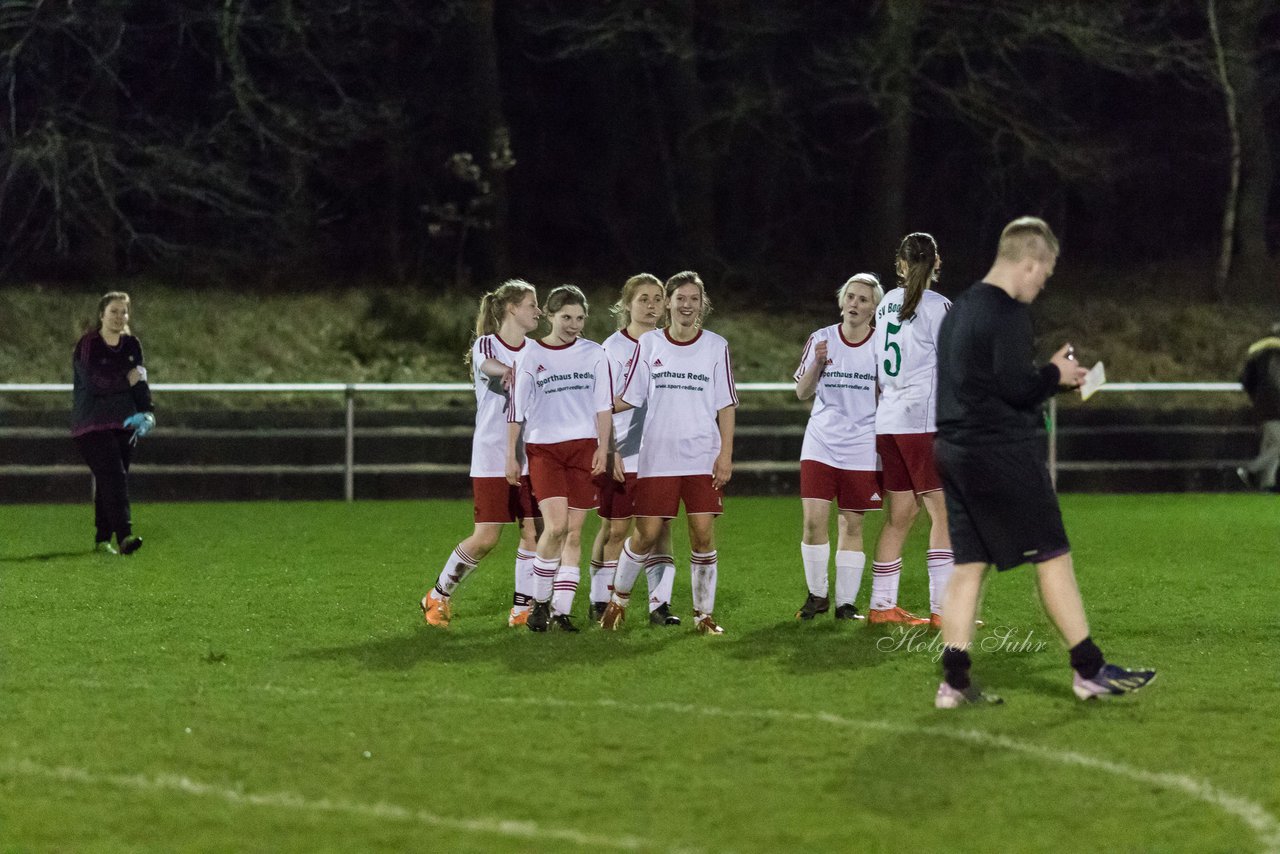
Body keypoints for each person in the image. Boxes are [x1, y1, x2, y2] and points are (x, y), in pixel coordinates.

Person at [933, 216, 1156, 707]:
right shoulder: (1008, 313)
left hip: (953, 450)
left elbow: (983, 382)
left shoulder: (961, 307)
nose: (1042, 283)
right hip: (999, 451)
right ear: (1030, 262)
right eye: (1045, 274)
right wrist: (1054, 375)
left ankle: (954, 681)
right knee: (1052, 553)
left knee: (968, 564)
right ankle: (1089, 670)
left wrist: (1048, 373)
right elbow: (1016, 390)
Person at [601, 270, 738, 635]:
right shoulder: (650, 345)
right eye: (680, 298)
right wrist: (595, 410)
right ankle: (618, 600)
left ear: (701, 304)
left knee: (703, 535)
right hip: (657, 456)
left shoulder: (716, 346)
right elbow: (629, 398)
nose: (687, 305)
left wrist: (725, 455)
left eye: (694, 299)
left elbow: (726, 406)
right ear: (670, 304)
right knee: (645, 535)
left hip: (701, 455)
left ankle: (703, 615)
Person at [421, 280, 544, 629]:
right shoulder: (488, 344)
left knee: (534, 531)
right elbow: (488, 365)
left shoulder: (537, 350)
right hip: (494, 453)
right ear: (511, 309)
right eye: (532, 304)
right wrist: (506, 371)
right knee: (487, 537)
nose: (538, 311)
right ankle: (438, 594)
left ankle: (523, 609)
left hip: (533, 454)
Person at [506, 285, 613, 632]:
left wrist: (603, 447)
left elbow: (603, 406)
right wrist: (512, 456)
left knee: (575, 534)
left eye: (580, 318)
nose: (574, 325)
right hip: (545, 449)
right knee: (556, 527)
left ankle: (561, 610)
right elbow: (517, 411)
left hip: (583, 448)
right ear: (550, 316)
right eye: (566, 317)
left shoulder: (594, 353)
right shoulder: (531, 355)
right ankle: (539, 604)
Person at [870, 233, 953, 628]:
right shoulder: (939, 307)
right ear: (937, 262)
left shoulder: (885, 303)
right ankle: (944, 610)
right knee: (945, 514)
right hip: (922, 421)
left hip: (888, 420)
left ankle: (882, 605)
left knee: (900, 514)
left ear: (900, 264)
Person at [587, 274, 681, 626]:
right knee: (615, 529)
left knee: (660, 530)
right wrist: (609, 449)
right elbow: (600, 404)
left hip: (663, 453)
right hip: (624, 450)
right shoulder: (611, 348)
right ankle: (602, 600)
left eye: (658, 298)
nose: (653, 305)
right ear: (627, 304)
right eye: (644, 298)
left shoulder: (671, 343)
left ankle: (660, 606)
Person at [793, 273, 884, 621]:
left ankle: (846, 604)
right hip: (821, 442)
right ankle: (817, 596)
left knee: (851, 524)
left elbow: (888, 394)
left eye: (863, 299)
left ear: (874, 308)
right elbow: (802, 392)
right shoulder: (822, 338)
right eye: (851, 297)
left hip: (863, 444)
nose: (855, 304)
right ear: (842, 301)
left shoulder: (881, 344)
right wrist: (817, 362)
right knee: (814, 522)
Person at [71, 291, 155, 556]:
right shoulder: (88, 344)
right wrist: (126, 379)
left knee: (111, 480)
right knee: (114, 477)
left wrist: (147, 412)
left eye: (124, 312)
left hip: (125, 423)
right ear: (101, 315)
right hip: (92, 424)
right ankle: (125, 536)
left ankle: (102, 539)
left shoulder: (132, 345)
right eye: (114, 312)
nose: (119, 317)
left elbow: (139, 382)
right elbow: (95, 383)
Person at [1236, 322, 1280, 492]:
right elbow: (1276, 383)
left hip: (1264, 407)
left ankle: (1266, 484)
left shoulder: (1259, 355)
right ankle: (1249, 470)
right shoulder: (1275, 356)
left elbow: (1246, 381)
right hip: (1274, 408)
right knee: (1277, 446)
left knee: (1270, 446)